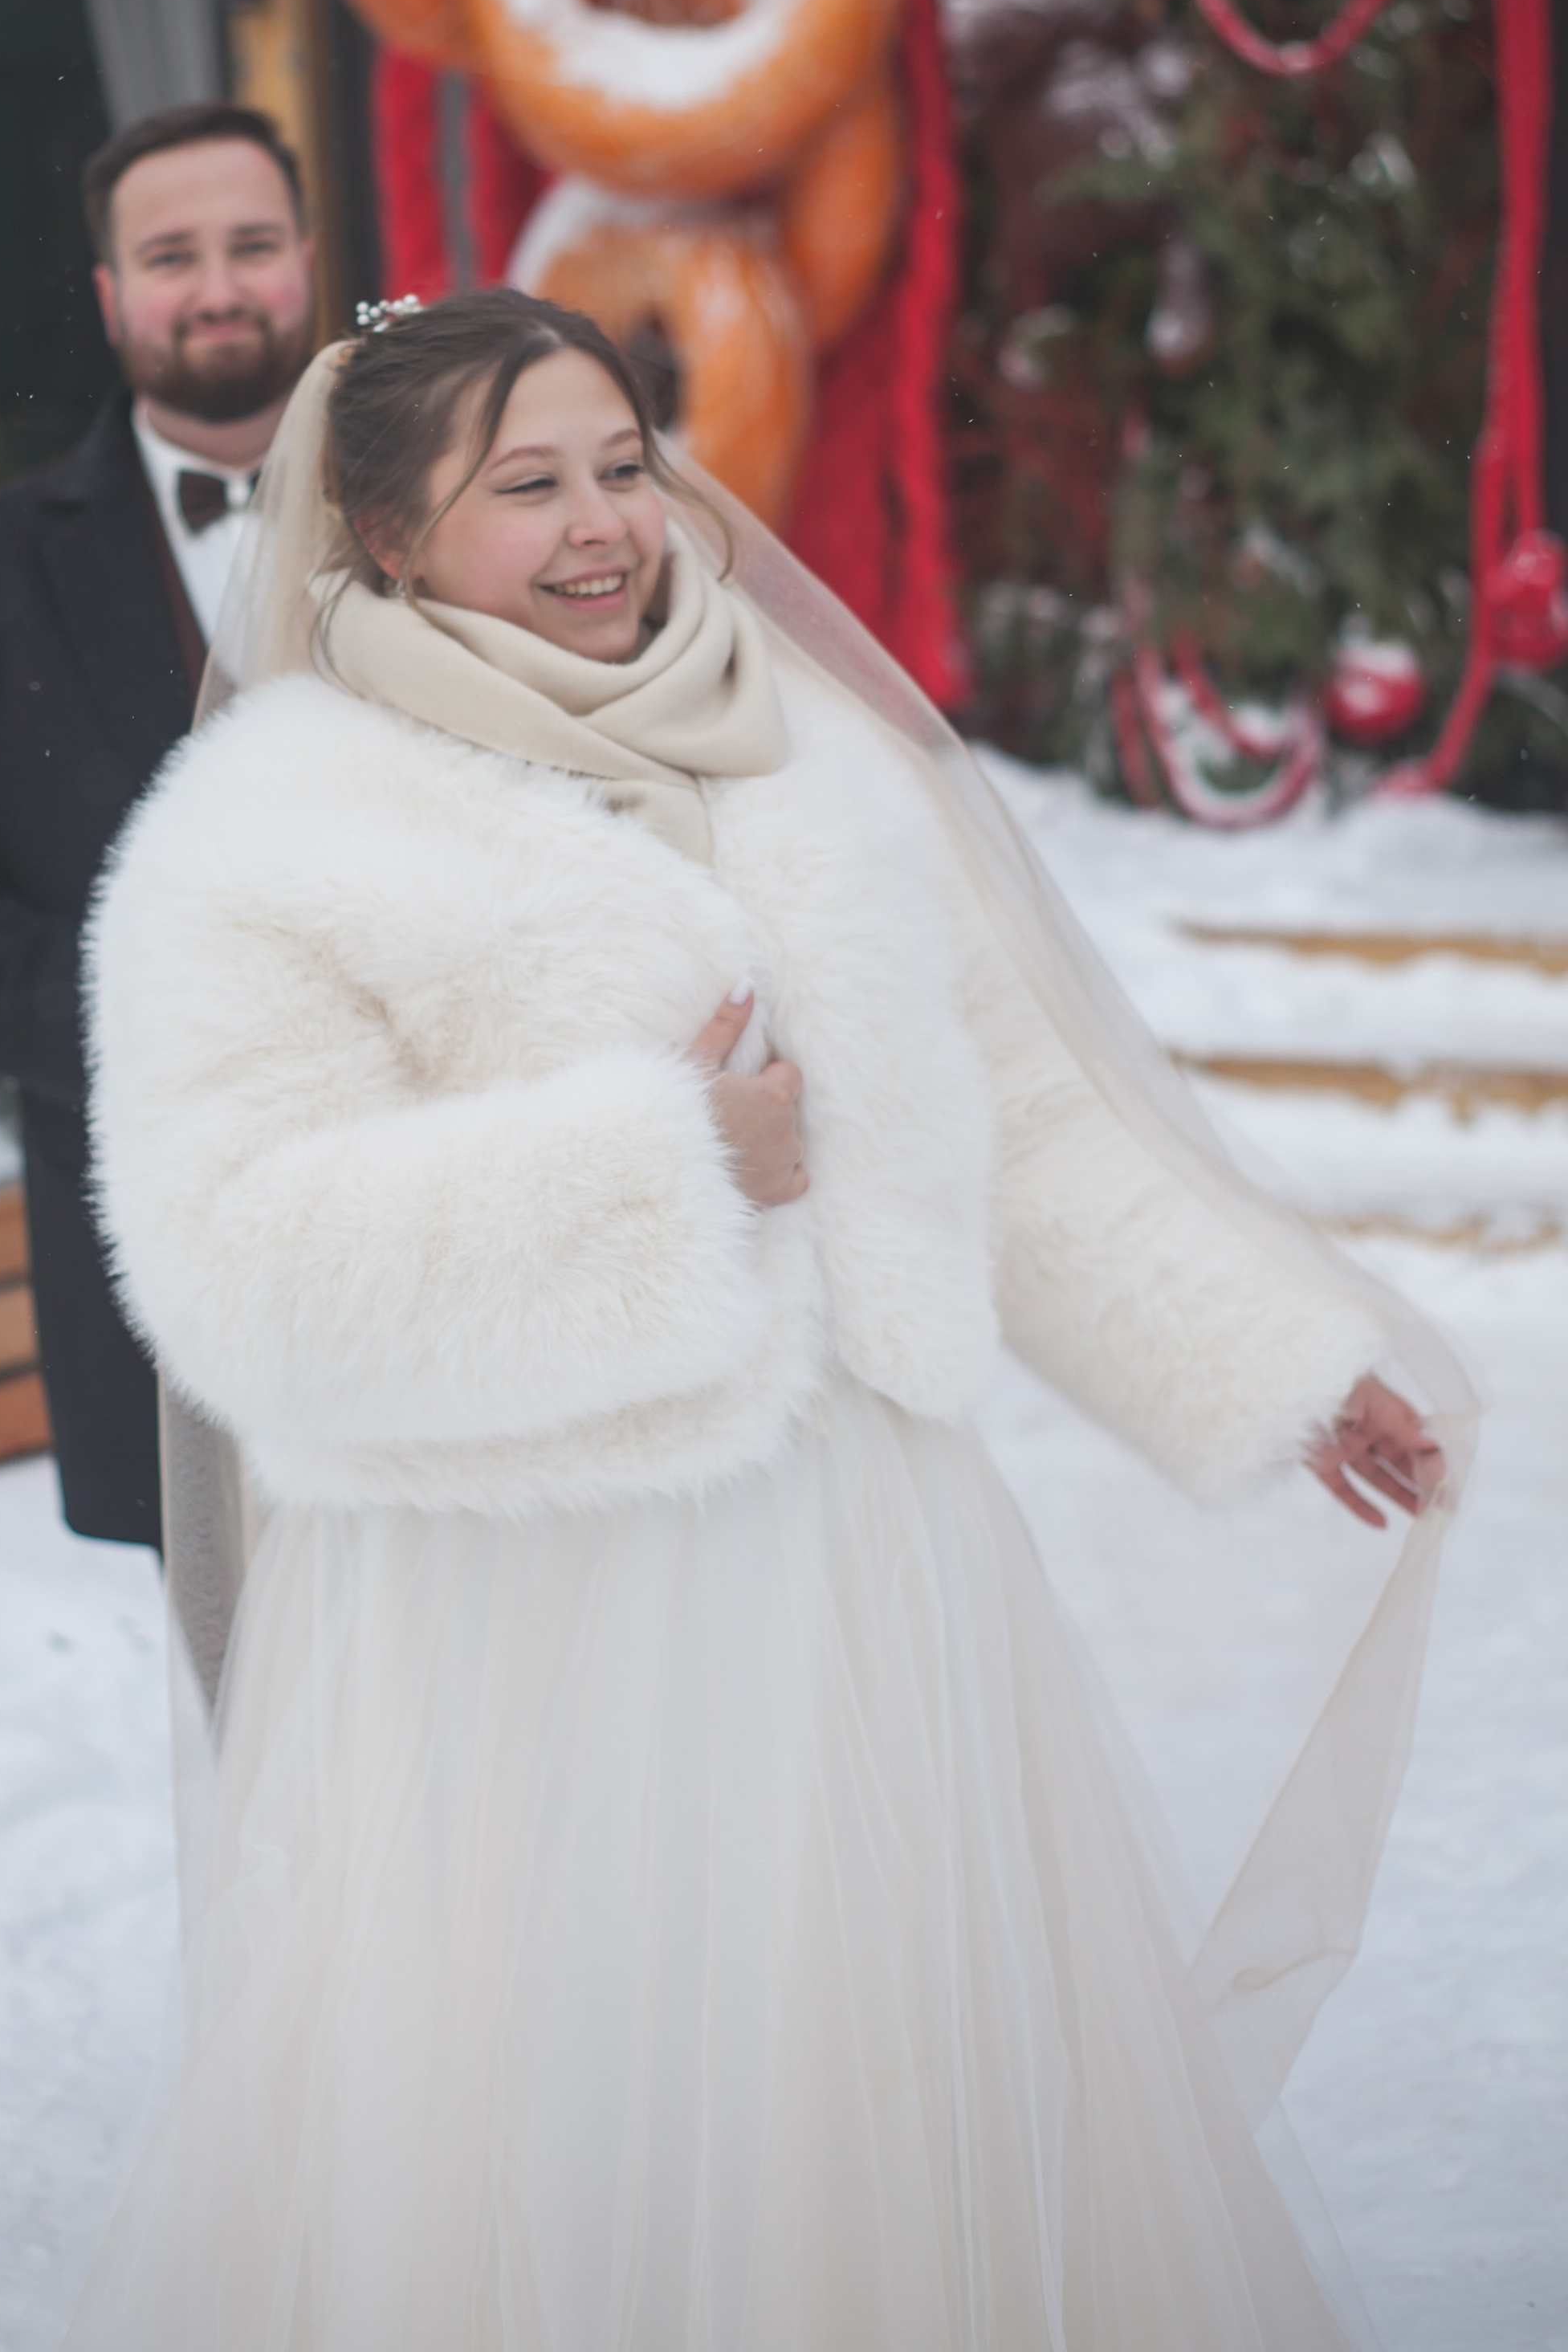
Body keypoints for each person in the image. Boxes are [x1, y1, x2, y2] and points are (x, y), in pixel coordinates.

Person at [71, 290, 1459, 2349]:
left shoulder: (814, 764)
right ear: (378, 538)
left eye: (620, 464)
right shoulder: (272, 837)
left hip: (859, 1562)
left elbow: (1011, 1125)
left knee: (878, 2098)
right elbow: (233, 1261)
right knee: (574, 2130)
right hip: (517, 1611)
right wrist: (670, 1171)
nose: (601, 525)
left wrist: (1276, 1362)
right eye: (521, 486)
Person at [0, 102, 317, 1560]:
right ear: (112, 298)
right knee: (267, 1741)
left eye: (251, 244)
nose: (216, 285)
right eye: (171, 256)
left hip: (473, 1201)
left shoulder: (464, 506)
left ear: (307, 260)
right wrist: (147, 1022)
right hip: (162, 1254)